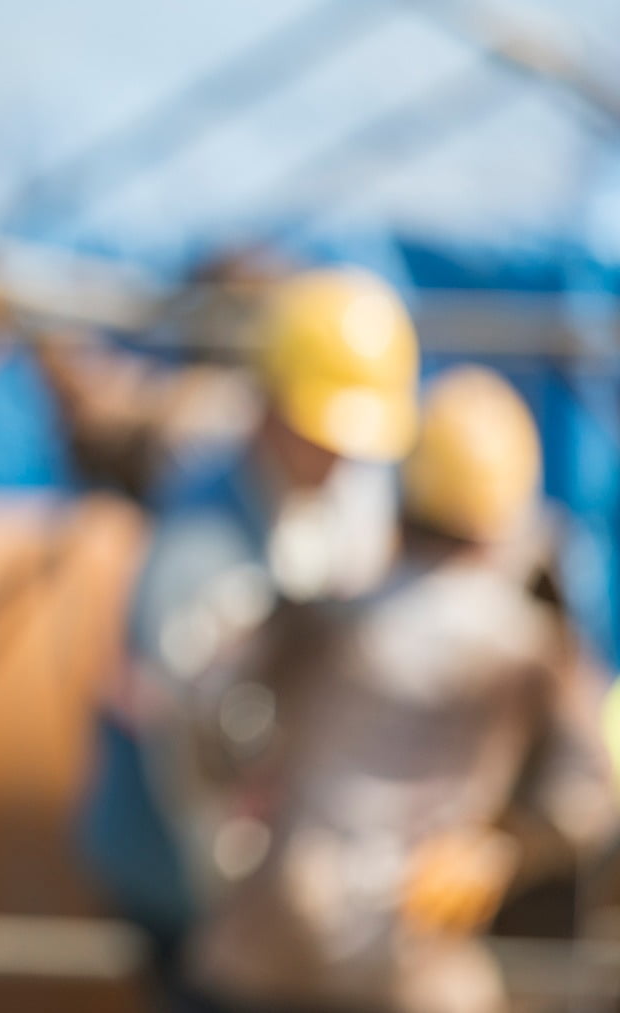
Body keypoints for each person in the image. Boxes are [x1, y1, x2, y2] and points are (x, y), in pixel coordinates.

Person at [181, 366, 618, 1013]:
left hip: (266, 946)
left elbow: (208, 713)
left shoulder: (319, 615)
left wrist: (248, 794)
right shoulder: (528, 647)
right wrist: (498, 848)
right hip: (409, 962)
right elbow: (593, 789)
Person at [78, 266, 418, 993]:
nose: (341, 458)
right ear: (270, 406)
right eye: (323, 435)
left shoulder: (337, 494)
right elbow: (195, 768)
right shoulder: (198, 554)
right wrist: (255, 907)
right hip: (185, 872)